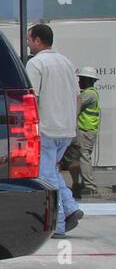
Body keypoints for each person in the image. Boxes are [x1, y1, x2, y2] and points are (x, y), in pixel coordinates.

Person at [25, 24, 82, 236]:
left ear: (38, 41)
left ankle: (56, 225)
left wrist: (30, 127)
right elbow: (77, 96)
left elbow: (33, 98)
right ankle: (71, 208)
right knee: (52, 171)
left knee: (46, 177)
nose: (28, 44)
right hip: (66, 130)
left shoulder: (36, 63)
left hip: (47, 129)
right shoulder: (66, 62)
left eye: (29, 40)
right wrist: (71, 122)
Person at [62, 66, 101, 201]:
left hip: (86, 131)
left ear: (87, 80)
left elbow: (75, 103)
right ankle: (82, 184)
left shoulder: (89, 94)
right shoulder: (90, 92)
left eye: (81, 79)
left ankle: (90, 187)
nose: (79, 82)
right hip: (86, 131)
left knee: (84, 158)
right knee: (80, 158)